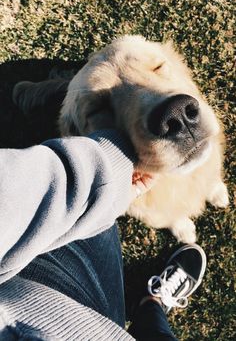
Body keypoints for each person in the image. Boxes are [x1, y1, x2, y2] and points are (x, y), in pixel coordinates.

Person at [0, 129, 206, 340]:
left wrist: (111, 172)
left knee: (96, 218)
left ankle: (150, 305)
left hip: (33, 303)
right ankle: (152, 302)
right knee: (159, 334)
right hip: (102, 330)